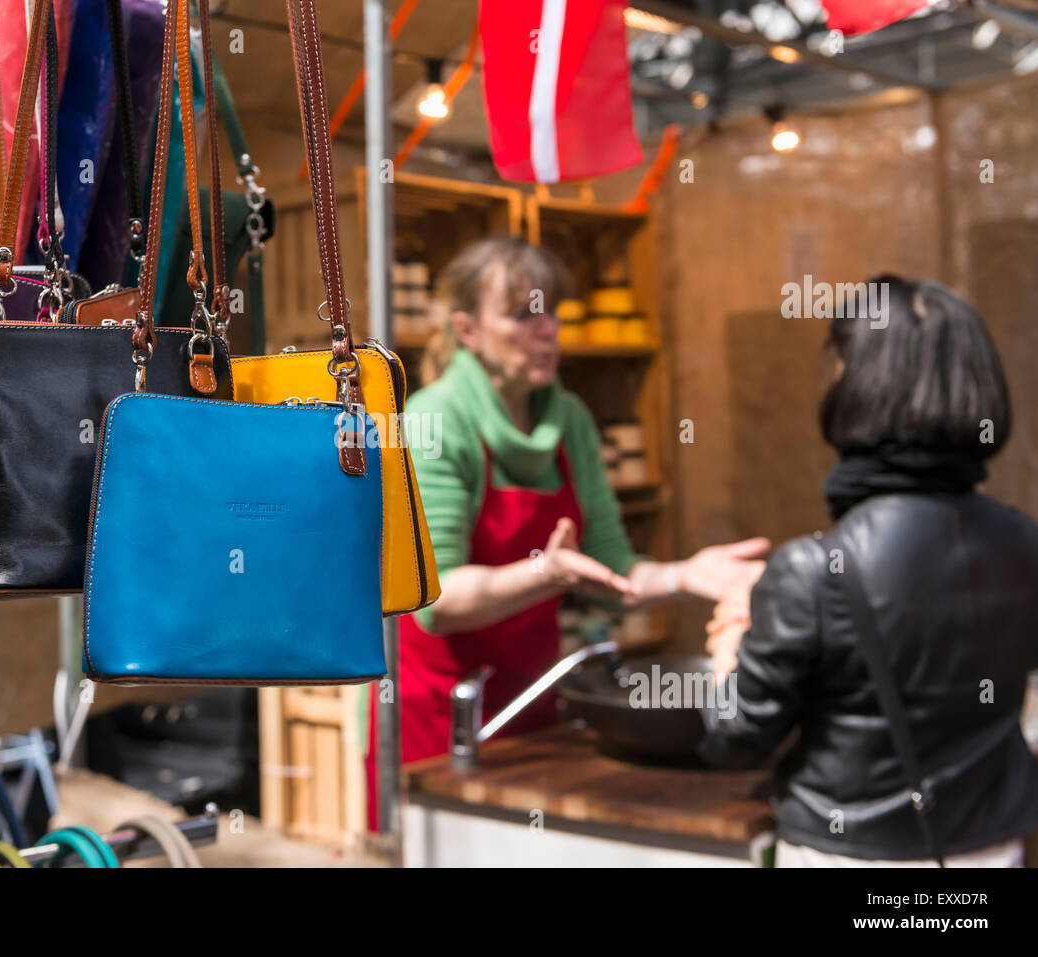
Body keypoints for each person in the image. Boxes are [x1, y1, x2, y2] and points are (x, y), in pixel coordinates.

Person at [366, 237, 768, 826]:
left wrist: (685, 574)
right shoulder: (435, 420)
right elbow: (436, 599)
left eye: (550, 311)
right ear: (468, 331)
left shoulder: (569, 419)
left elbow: (609, 566)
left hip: (530, 694)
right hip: (438, 707)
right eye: (522, 314)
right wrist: (544, 572)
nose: (546, 329)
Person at [700, 275, 1038, 867]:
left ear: (859, 384)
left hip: (851, 856)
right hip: (990, 851)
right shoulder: (1023, 543)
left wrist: (732, 643)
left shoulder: (814, 568)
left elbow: (733, 736)